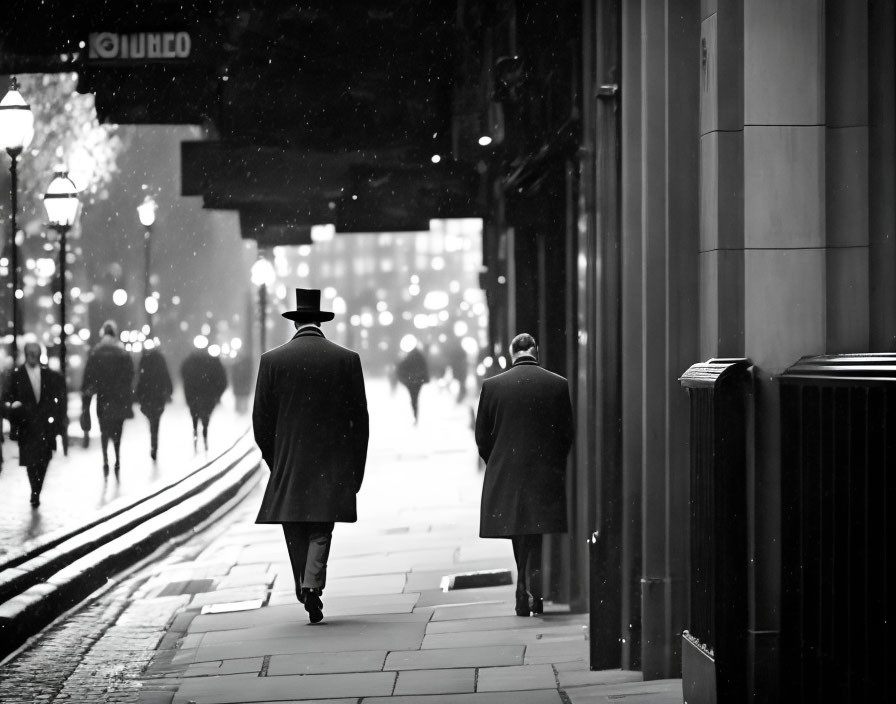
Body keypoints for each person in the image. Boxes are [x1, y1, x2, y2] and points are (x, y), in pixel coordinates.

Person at [253, 288, 368, 624]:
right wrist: (353, 469)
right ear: (320, 321)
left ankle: (304, 586)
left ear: (295, 322)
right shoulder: (346, 360)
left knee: (294, 527)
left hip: (289, 463)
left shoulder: (272, 361)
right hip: (330, 464)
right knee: (320, 527)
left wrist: (278, 461)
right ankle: (312, 584)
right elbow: (359, 422)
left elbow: (261, 422)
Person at [475, 333, 574, 617]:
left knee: (518, 530)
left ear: (511, 353)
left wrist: (496, 462)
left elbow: (482, 437)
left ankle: (523, 583)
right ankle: (534, 590)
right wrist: (553, 464)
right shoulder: (557, 384)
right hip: (543, 470)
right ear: (535, 352)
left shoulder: (493, 387)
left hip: (507, 470)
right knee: (536, 532)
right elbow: (566, 434)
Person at [1, 341, 66, 507]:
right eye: (29, 352)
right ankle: (35, 490)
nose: (32, 356)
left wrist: (56, 420)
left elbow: (56, 399)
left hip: (44, 426)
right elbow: (7, 400)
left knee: (44, 459)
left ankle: (37, 489)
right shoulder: (16, 375)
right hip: (27, 426)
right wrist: (14, 410)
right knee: (31, 461)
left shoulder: (49, 375)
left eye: (35, 352)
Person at [82, 320, 135, 479]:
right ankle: (117, 458)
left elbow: (89, 376)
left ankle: (105, 458)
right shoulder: (122, 352)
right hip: (118, 398)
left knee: (104, 429)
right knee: (118, 430)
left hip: (103, 397)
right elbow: (129, 375)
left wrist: (89, 394)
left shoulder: (96, 352)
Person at [181, 346, 228, 452]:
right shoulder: (211, 362)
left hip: (199, 395)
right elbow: (222, 379)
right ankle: (202, 435)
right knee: (203, 417)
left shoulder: (191, 362)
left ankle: (198, 435)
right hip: (205, 396)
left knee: (197, 416)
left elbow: (184, 374)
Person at [135, 345, 173, 460]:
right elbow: (166, 375)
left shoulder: (144, 359)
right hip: (157, 396)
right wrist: (168, 390)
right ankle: (154, 443)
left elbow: (140, 378)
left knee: (152, 420)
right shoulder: (160, 359)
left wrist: (138, 394)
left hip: (148, 396)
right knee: (155, 421)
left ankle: (153, 442)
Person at [396, 344, 429, 424]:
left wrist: (404, 379)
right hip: (417, 381)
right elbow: (424, 368)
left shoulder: (408, 357)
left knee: (413, 398)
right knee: (415, 398)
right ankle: (415, 413)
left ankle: (415, 413)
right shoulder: (419, 356)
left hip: (411, 382)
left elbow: (401, 368)